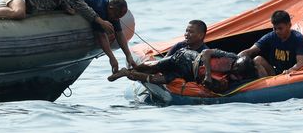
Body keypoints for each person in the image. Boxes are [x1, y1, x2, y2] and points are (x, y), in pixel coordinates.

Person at [108, 48, 259, 93]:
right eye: (235, 70)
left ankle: (127, 74)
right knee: (154, 67)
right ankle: (131, 69)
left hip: (186, 74)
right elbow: (206, 53)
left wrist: (210, 83)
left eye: (237, 74)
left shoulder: (237, 76)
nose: (234, 74)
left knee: (161, 79)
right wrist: (207, 74)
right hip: (185, 58)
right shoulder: (230, 56)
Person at [78, 0, 137, 73]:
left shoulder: (113, 12)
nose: (115, 19)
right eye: (116, 16)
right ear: (110, 8)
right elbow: (101, 35)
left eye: (118, 17)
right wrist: (112, 58)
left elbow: (119, 33)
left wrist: (128, 55)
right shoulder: (99, 8)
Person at [238, 10, 303, 76]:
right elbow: (251, 51)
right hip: (274, 72)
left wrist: (291, 70)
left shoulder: (298, 39)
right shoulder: (271, 36)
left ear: (289, 25)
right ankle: (265, 85)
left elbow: (301, 62)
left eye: (280, 28)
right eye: (274, 28)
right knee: (257, 59)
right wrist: (237, 58)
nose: (277, 31)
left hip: (289, 74)